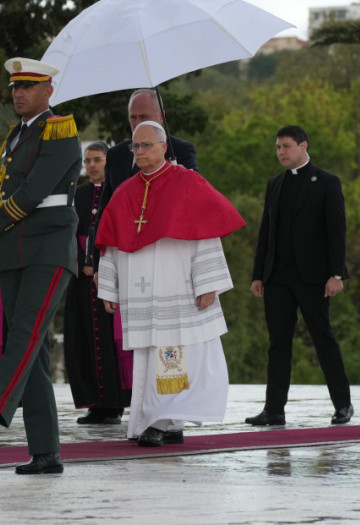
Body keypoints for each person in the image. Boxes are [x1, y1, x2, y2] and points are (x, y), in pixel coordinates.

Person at [0, 57, 81, 475]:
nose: (19, 93)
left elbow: (34, 190)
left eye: (28, 86)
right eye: (15, 87)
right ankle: (46, 451)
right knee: (32, 348)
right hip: (15, 250)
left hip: (48, 248)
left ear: (48, 90)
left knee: (25, 335)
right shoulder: (15, 136)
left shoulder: (61, 129)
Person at [96, 121, 244, 446]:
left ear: (164, 147)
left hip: (176, 283)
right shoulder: (124, 191)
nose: (139, 152)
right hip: (139, 290)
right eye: (135, 146)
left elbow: (205, 235)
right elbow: (110, 243)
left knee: (170, 351)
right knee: (151, 354)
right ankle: (169, 421)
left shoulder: (187, 183)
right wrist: (109, 287)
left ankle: (160, 420)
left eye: (146, 145)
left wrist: (208, 283)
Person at [246, 125, 353, 426]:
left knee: (323, 339)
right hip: (277, 277)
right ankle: (274, 410)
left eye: (287, 146)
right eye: (278, 147)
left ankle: (343, 405)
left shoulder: (327, 182)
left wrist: (336, 274)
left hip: (314, 278)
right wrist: (258, 274)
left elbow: (337, 232)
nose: (281, 152)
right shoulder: (274, 184)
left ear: (304, 146)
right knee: (278, 343)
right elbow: (265, 232)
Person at [87, 89, 199, 274]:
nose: (138, 123)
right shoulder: (116, 155)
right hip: (123, 256)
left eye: (144, 117)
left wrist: (178, 174)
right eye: (133, 117)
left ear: (162, 117)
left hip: (167, 255)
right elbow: (104, 213)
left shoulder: (180, 151)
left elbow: (195, 203)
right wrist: (98, 266)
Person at [64, 141, 131, 424]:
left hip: (112, 278)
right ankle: (96, 402)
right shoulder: (77, 195)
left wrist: (101, 265)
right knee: (84, 339)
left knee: (110, 341)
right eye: (88, 160)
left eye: (98, 160)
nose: (92, 165)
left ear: (108, 162)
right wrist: (82, 264)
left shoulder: (118, 192)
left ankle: (115, 403)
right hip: (81, 279)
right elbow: (68, 233)